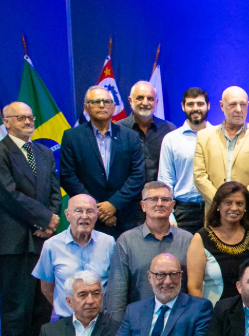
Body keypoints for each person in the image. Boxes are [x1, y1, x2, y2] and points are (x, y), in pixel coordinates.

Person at [0, 101, 61, 336]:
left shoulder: (43, 152)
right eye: (21, 118)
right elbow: (8, 195)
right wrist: (43, 218)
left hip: (44, 237)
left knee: (42, 299)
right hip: (16, 237)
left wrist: (51, 221)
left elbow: (55, 191)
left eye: (30, 117)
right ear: (6, 121)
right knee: (16, 299)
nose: (28, 122)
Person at [60, 87, 145, 236]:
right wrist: (95, 208)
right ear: (86, 107)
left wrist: (114, 204)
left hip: (124, 216)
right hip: (86, 218)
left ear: (113, 106)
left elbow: (137, 175)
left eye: (106, 101)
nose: (101, 105)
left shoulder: (130, 136)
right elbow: (68, 176)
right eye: (96, 101)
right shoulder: (72, 137)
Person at [104, 182, 194, 320]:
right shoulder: (127, 241)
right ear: (143, 206)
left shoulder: (188, 240)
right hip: (137, 322)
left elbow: (194, 287)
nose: (159, 204)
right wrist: (117, 327)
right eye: (153, 199)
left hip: (179, 321)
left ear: (172, 205)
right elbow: (117, 292)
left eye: (165, 199)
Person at [193, 86, 249, 224]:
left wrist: (241, 202)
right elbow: (199, 176)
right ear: (222, 106)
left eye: (243, 104)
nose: (238, 109)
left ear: (248, 105)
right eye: (233, 104)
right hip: (215, 215)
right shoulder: (204, 136)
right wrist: (221, 203)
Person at [33, 194, 115, 318]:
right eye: (78, 211)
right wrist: (68, 309)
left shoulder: (108, 242)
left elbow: (115, 285)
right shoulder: (52, 246)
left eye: (90, 211)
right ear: (67, 215)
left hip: (102, 320)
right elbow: (46, 288)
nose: (84, 216)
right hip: (67, 320)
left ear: (96, 216)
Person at [186, 181, 249, 303]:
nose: (234, 208)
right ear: (218, 205)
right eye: (228, 203)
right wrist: (202, 313)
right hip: (215, 311)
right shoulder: (201, 238)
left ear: (245, 208)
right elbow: (194, 287)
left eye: (239, 203)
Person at [158, 87, 213, 233]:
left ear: (208, 105)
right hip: (183, 213)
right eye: (190, 104)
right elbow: (165, 180)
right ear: (183, 106)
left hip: (213, 209)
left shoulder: (219, 137)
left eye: (200, 104)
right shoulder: (171, 139)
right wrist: (169, 215)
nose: (195, 108)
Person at [118, 81, 176, 184]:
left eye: (150, 99)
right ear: (130, 101)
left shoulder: (169, 130)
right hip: (128, 192)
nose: (145, 103)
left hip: (160, 192)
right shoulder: (117, 130)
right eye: (140, 98)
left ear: (156, 102)